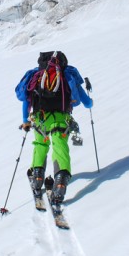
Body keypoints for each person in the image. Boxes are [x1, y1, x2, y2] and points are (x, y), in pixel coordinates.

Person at [15, 51, 93, 205]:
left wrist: (25, 120)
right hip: (61, 118)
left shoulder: (36, 75)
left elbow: (26, 100)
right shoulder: (67, 75)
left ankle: (37, 177)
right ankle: (61, 181)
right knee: (60, 147)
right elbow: (87, 103)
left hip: (40, 118)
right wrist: (90, 98)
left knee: (41, 144)